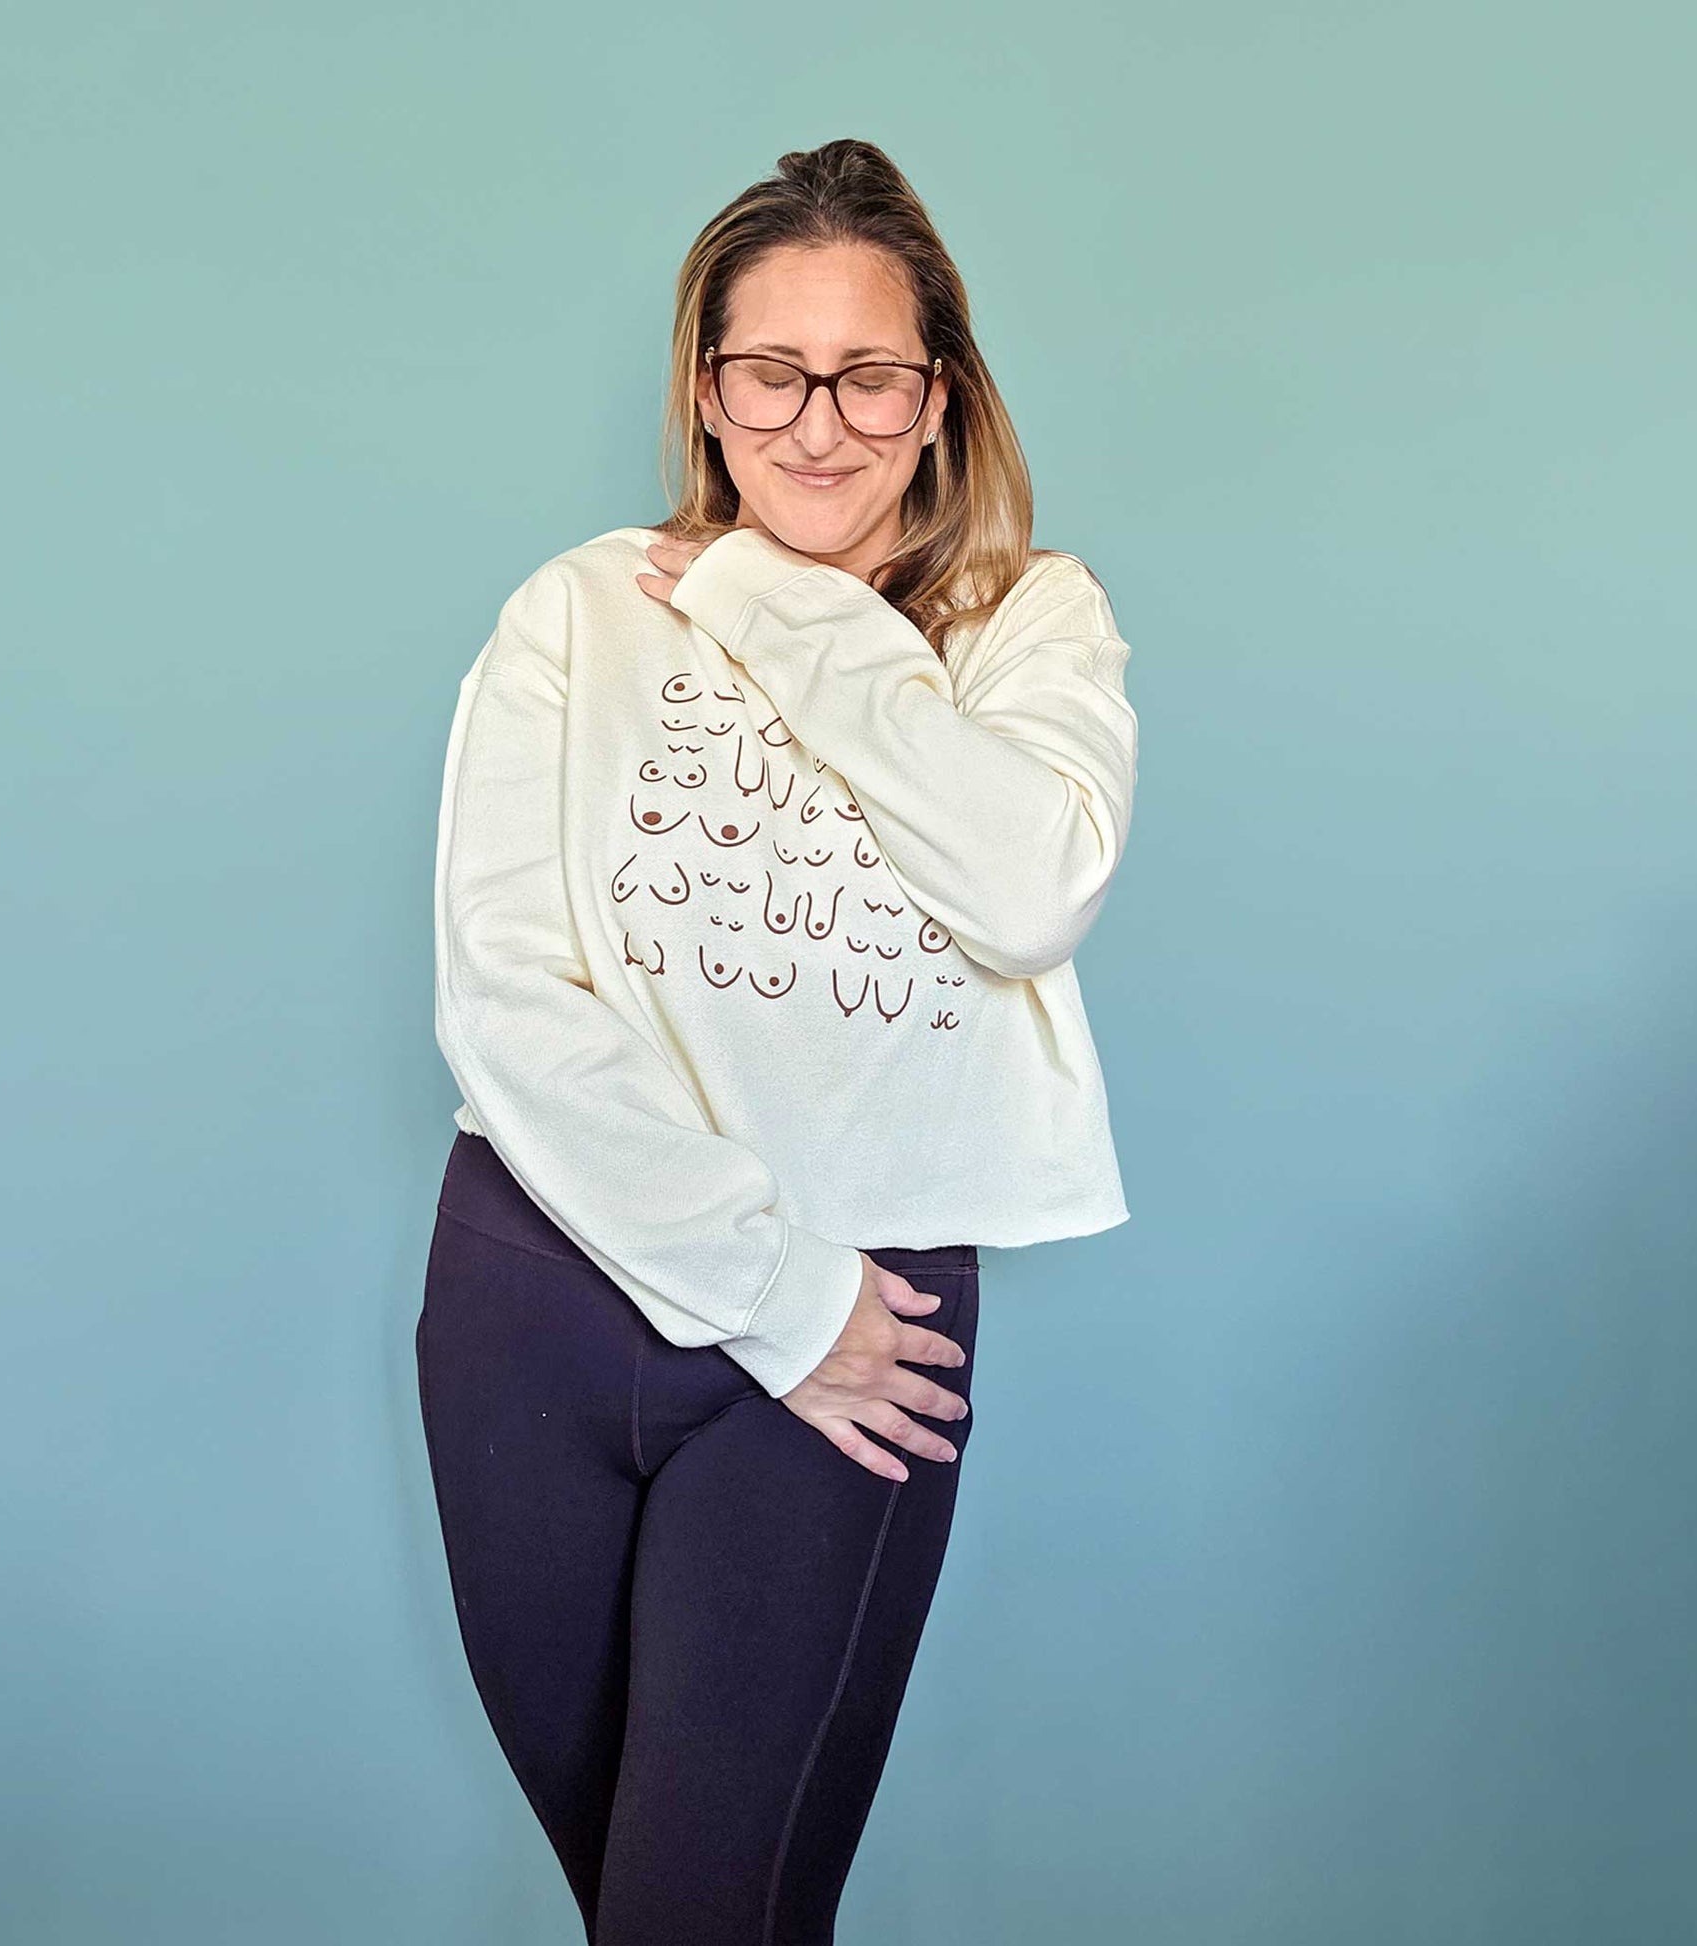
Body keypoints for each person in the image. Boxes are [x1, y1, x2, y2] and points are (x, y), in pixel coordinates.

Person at [415, 135, 1139, 1944]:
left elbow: (1030, 886)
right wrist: (762, 1283)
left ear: (940, 394)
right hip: (539, 1297)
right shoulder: (575, 613)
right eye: (770, 373)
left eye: (870, 374)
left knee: (695, 1912)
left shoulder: (1025, 624)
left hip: (862, 1320)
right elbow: (505, 994)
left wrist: (770, 597)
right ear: (705, 389)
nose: (818, 426)